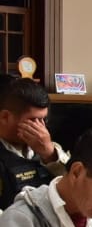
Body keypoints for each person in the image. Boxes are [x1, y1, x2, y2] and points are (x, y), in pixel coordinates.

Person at [0, 78, 70, 210]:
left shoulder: (49, 148)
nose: (41, 128)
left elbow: (76, 188)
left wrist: (50, 155)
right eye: (33, 120)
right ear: (5, 117)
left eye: (43, 119)